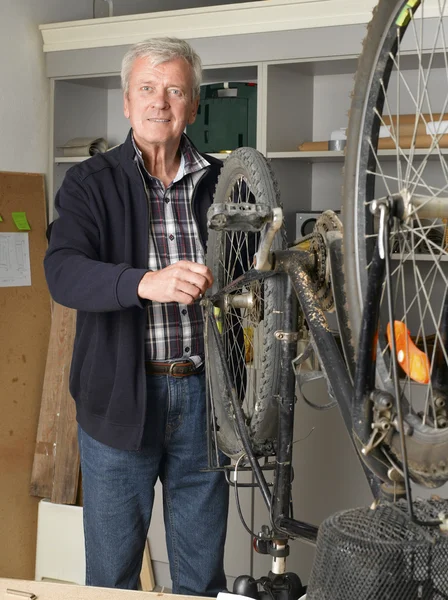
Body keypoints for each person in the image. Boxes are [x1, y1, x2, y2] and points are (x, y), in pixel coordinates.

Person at [44, 37, 229, 595]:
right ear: (126, 102)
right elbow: (63, 272)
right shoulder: (89, 182)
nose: (160, 103)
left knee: (201, 575)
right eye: (147, 89)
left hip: (205, 401)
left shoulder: (225, 181)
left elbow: (255, 277)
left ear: (194, 106)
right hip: (120, 399)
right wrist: (146, 282)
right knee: (112, 578)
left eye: (175, 91)